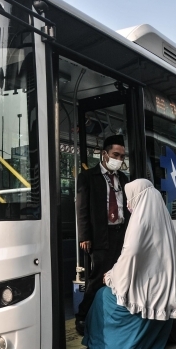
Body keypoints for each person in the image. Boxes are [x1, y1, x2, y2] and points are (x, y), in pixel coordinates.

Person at [82, 179, 176, 349]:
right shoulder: (165, 222)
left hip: (143, 300)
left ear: (138, 198)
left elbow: (130, 254)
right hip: (166, 303)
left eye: (130, 199)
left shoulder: (140, 220)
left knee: (101, 301)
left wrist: (111, 276)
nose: (128, 205)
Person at [75, 134, 130, 335]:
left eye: (122, 156)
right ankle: (83, 316)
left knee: (120, 276)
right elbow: (82, 209)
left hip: (121, 233)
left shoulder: (123, 179)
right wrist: (84, 236)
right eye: (116, 154)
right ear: (104, 154)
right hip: (100, 235)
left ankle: (112, 315)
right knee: (98, 277)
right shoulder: (88, 177)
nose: (119, 159)